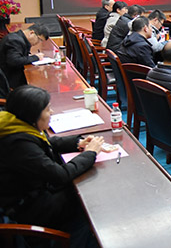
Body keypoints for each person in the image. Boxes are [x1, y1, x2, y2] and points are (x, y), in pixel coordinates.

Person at [0, 85, 103, 245]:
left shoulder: (14, 124)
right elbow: (60, 175)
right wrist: (90, 153)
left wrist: (78, 142)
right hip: (29, 207)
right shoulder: (19, 145)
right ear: (33, 115)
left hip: (33, 192)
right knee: (90, 201)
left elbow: (45, 142)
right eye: (47, 110)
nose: (52, 113)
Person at [0, 24, 49, 89]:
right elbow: (14, 61)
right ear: (31, 33)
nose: (38, 42)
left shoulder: (18, 37)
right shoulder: (15, 40)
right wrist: (36, 57)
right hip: (8, 80)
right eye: (39, 39)